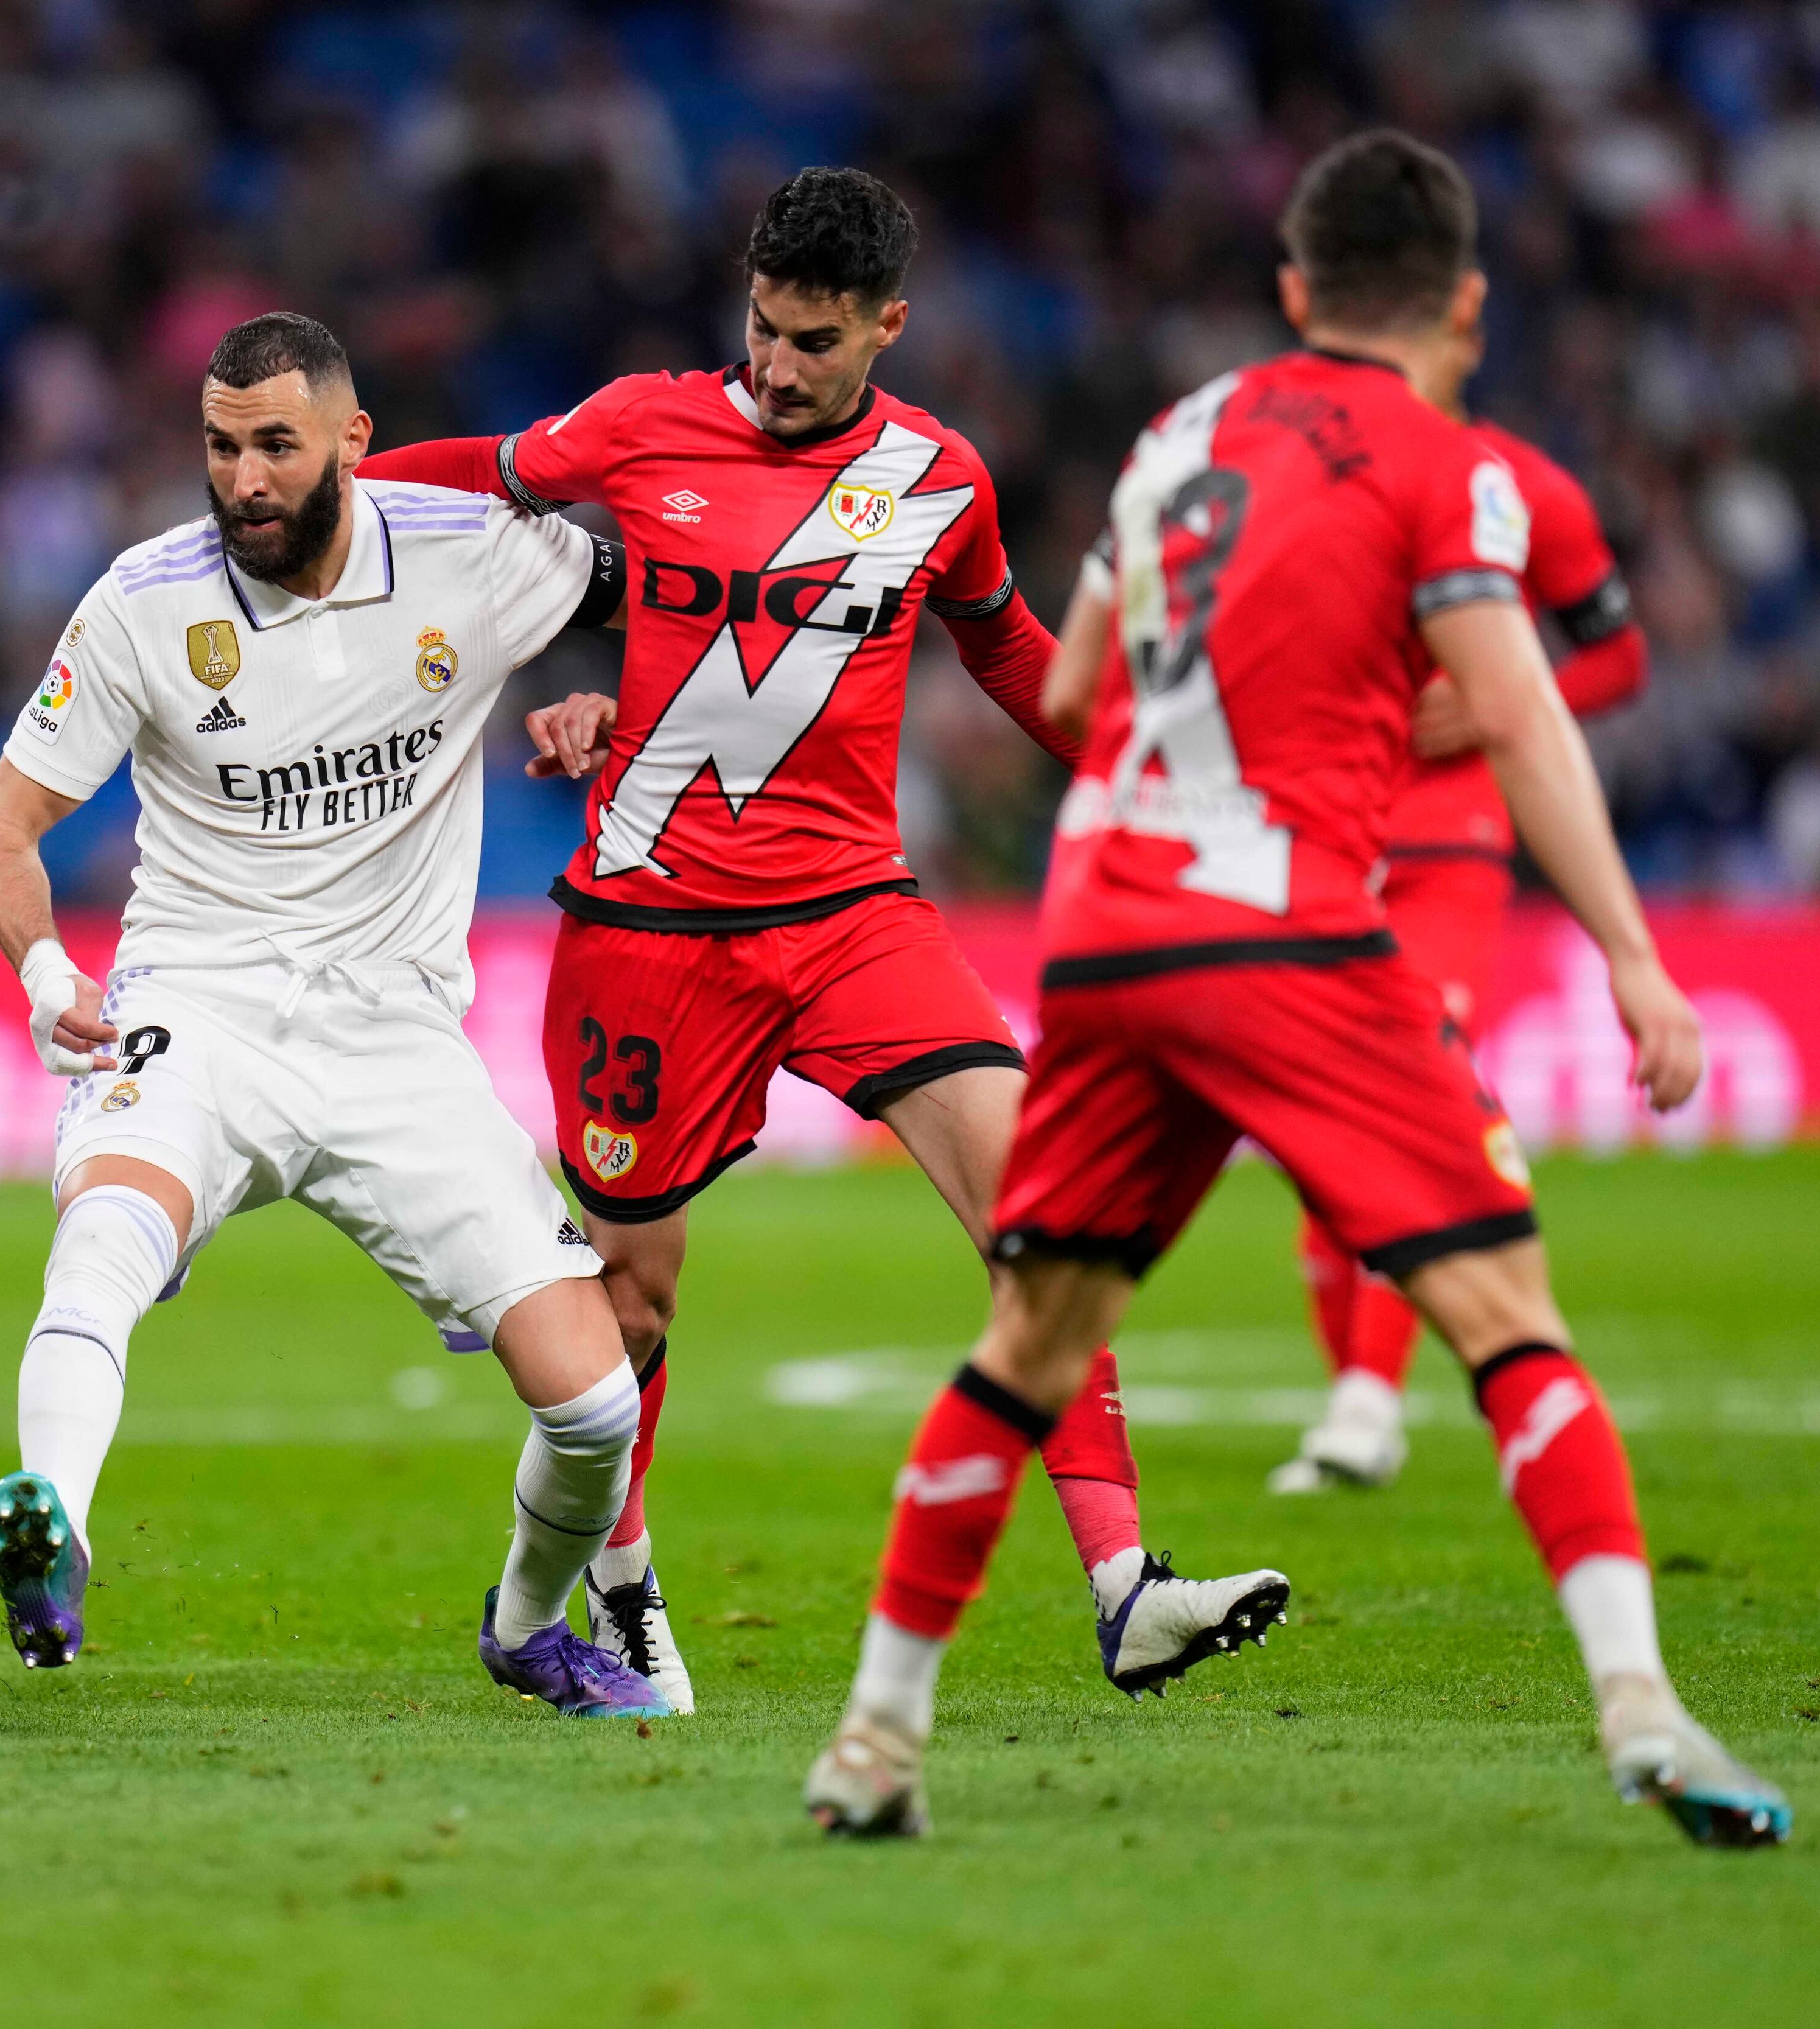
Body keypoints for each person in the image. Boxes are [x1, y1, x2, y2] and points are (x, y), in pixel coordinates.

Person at [805, 131, 1788, 1848]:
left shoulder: (1178, 434)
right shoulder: (1450, 463)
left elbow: (1092, 678)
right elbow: (1529, 709)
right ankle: (1644, 1707)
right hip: (1288, 929)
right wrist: (1634, 954)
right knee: (1506, 1310)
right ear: (1466, 305)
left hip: (1105, 925)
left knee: (1029, 1339)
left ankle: (874, 1742)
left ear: (1290, 293)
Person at [357, 167, 1286, 1712]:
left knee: (1043, 1215)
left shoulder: (942, 478)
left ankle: (1127, 1589)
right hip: (649, 931)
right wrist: (340, 477)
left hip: (855, 913)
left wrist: (1145, 765)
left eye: (814, 340)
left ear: (887, 326)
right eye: (764, 328)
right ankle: (621, 1583)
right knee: (634, 1304)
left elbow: (1007, 648)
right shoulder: (644, 421)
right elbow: (493, 476)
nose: (777, 366)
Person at [0, 310, 669, 1719]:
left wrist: (615, 708)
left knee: (594, 1403)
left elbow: (690, 598)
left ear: (352, 438)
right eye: (220, 448)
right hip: (197, 1005)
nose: (243, 480)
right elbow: (0, 830)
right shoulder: (143, 602)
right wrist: (49, 973)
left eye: (275, 445)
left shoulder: (474, 550)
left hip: (396, 1039)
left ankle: (529, 1625)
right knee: (102, 1235)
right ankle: (57, 1540)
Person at [1273, 376, 1647, 1493]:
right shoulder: (1301, 470)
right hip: (1325, 826)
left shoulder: (1527, 487)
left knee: (1411, 1085)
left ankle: (1368, 1397)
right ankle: (1367, 1398)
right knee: (1316, 1129)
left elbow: (1618, 658)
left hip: (1450, 838)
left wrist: (1500, 700)